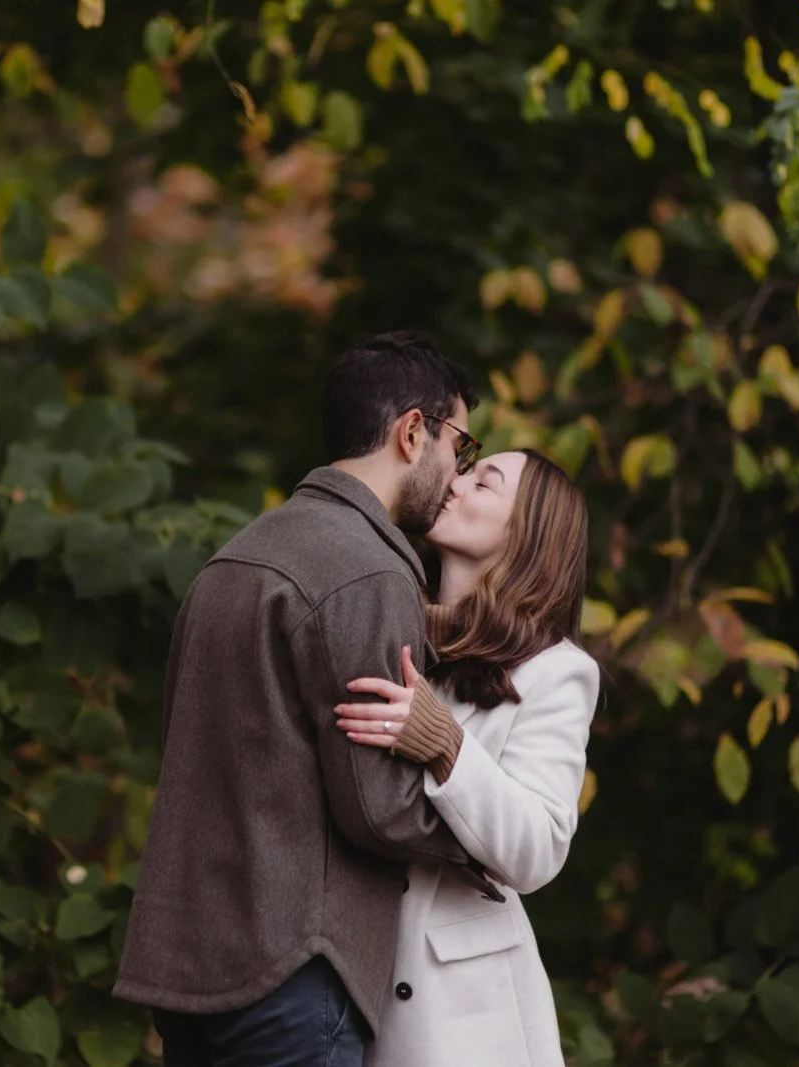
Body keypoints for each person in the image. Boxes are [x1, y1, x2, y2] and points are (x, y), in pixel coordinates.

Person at [114, 331, 496, 1067]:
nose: (456, 475)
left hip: (189, 971)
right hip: (292, 971)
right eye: (461, 444)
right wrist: (490, 845)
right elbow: (378, 804)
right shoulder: (369, 569)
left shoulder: (234, 558)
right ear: (412, 432)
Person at [331, 448, 600, 1067]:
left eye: (486, 481)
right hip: (350, 995)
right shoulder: (383, 625)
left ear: (527, 530)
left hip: (466, 1021)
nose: (454, 482)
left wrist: (447, 745)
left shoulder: (557, 671)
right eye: (467, 469)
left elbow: (539, 847)